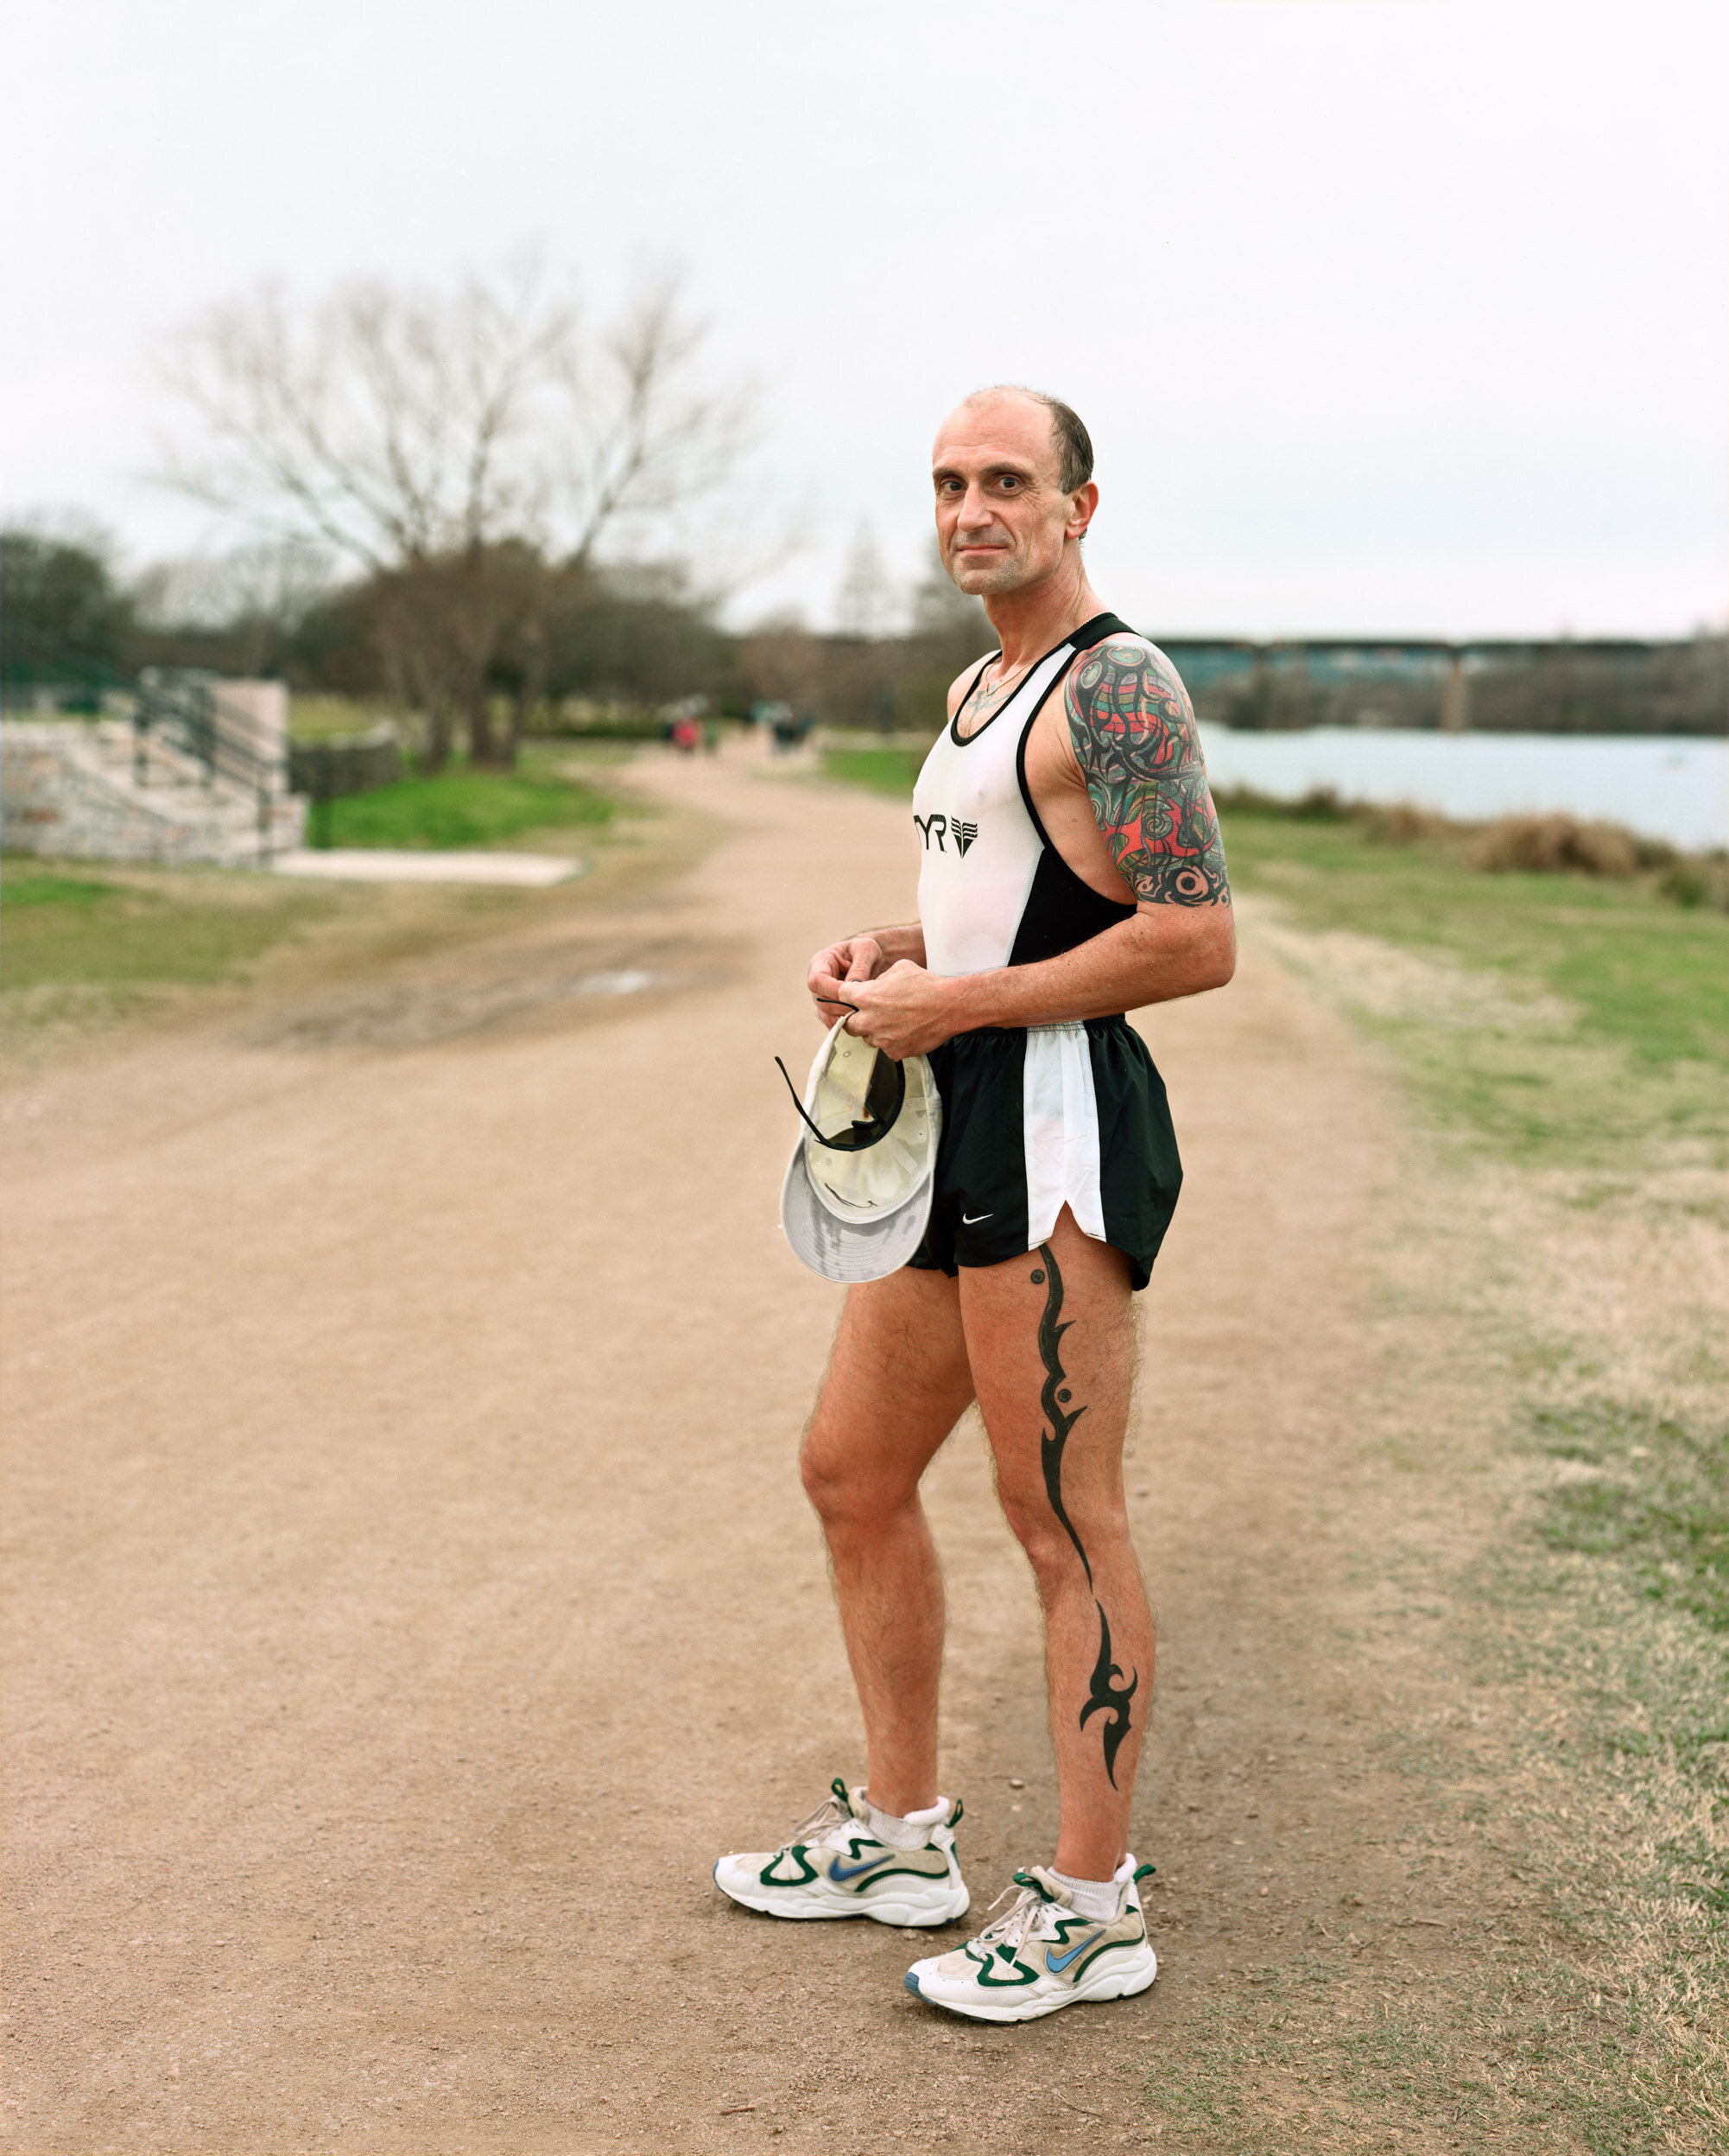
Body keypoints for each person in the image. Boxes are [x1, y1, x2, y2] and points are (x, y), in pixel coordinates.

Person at [713, 386, 1236, 2023]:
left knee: (1059, 1516)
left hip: (1057, 1132)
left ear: (1081, 504)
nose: (970, 509)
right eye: (948, 482)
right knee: (850, 1472)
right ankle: (900, 1834)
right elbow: (993, 899)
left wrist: (964, 1002)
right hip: (946, 1116)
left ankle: (1091, 1908)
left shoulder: (1119, 686)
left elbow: (1194, 936)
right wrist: (891, 955)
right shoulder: (975, 682)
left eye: (1006, 481)